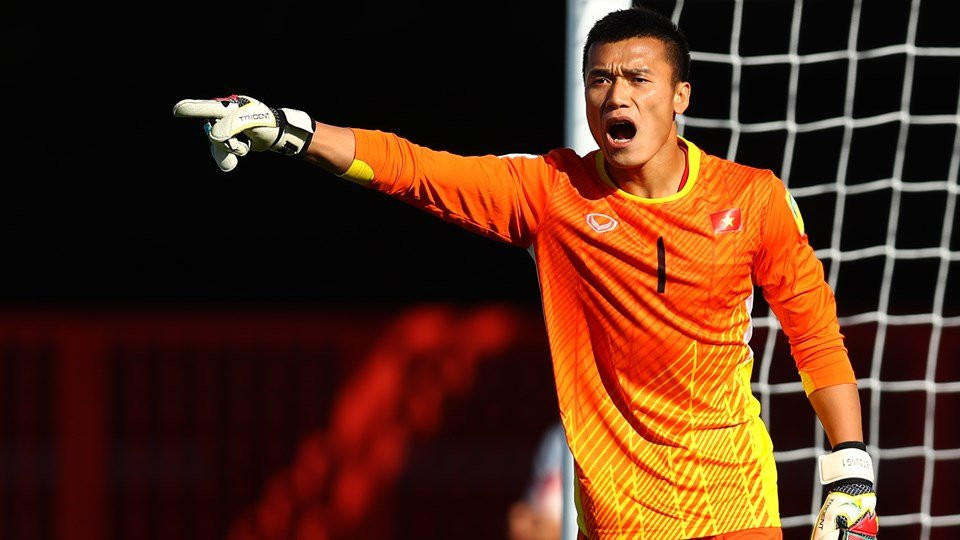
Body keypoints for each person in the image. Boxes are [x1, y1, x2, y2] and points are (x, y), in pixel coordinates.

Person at [173, 7, 879, 540]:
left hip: (733, 504)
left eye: (639, 79)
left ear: (680, 96)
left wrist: (849, 465)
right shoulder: (550, 193)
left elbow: (814, 334)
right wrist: (293, 131)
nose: (617, 97)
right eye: (600, 80)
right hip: (618, 519)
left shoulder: (753, 198)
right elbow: (415, 169)